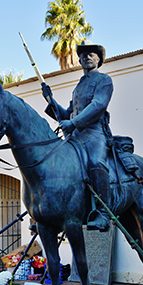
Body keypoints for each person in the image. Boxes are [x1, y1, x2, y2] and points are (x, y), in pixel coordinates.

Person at [44, 40, 114, 232]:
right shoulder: (78, 86)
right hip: (75, 135)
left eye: (91, 53)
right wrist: (50, 100)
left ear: (99, 58)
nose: (87, 56)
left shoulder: (104, 80)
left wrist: (73, 123)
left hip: (94, 133)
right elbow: (67, 114)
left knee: (96, 163)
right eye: (83, 54)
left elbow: (98, 105)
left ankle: (103, 213)